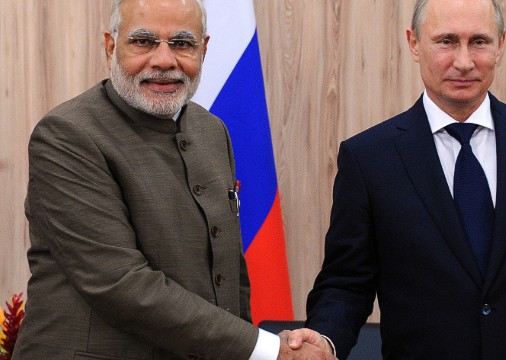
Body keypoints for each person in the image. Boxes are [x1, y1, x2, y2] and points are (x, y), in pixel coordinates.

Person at [290, 0, 506, 358]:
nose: (464, 61)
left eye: (479, 42)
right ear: (414, 43)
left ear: (500, 44)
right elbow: (346, 284)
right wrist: (324, 339)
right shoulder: (369, 158)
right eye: (447, 41)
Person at [14, 0, 334, 359]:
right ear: (110, 45)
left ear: (204, 49)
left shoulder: (211, 131)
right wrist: (268, 349)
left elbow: (227, 272)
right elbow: (121, 283)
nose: (164, 60)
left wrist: (255, 349)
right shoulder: (67, 135)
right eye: (144, 41)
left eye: (182, 44)